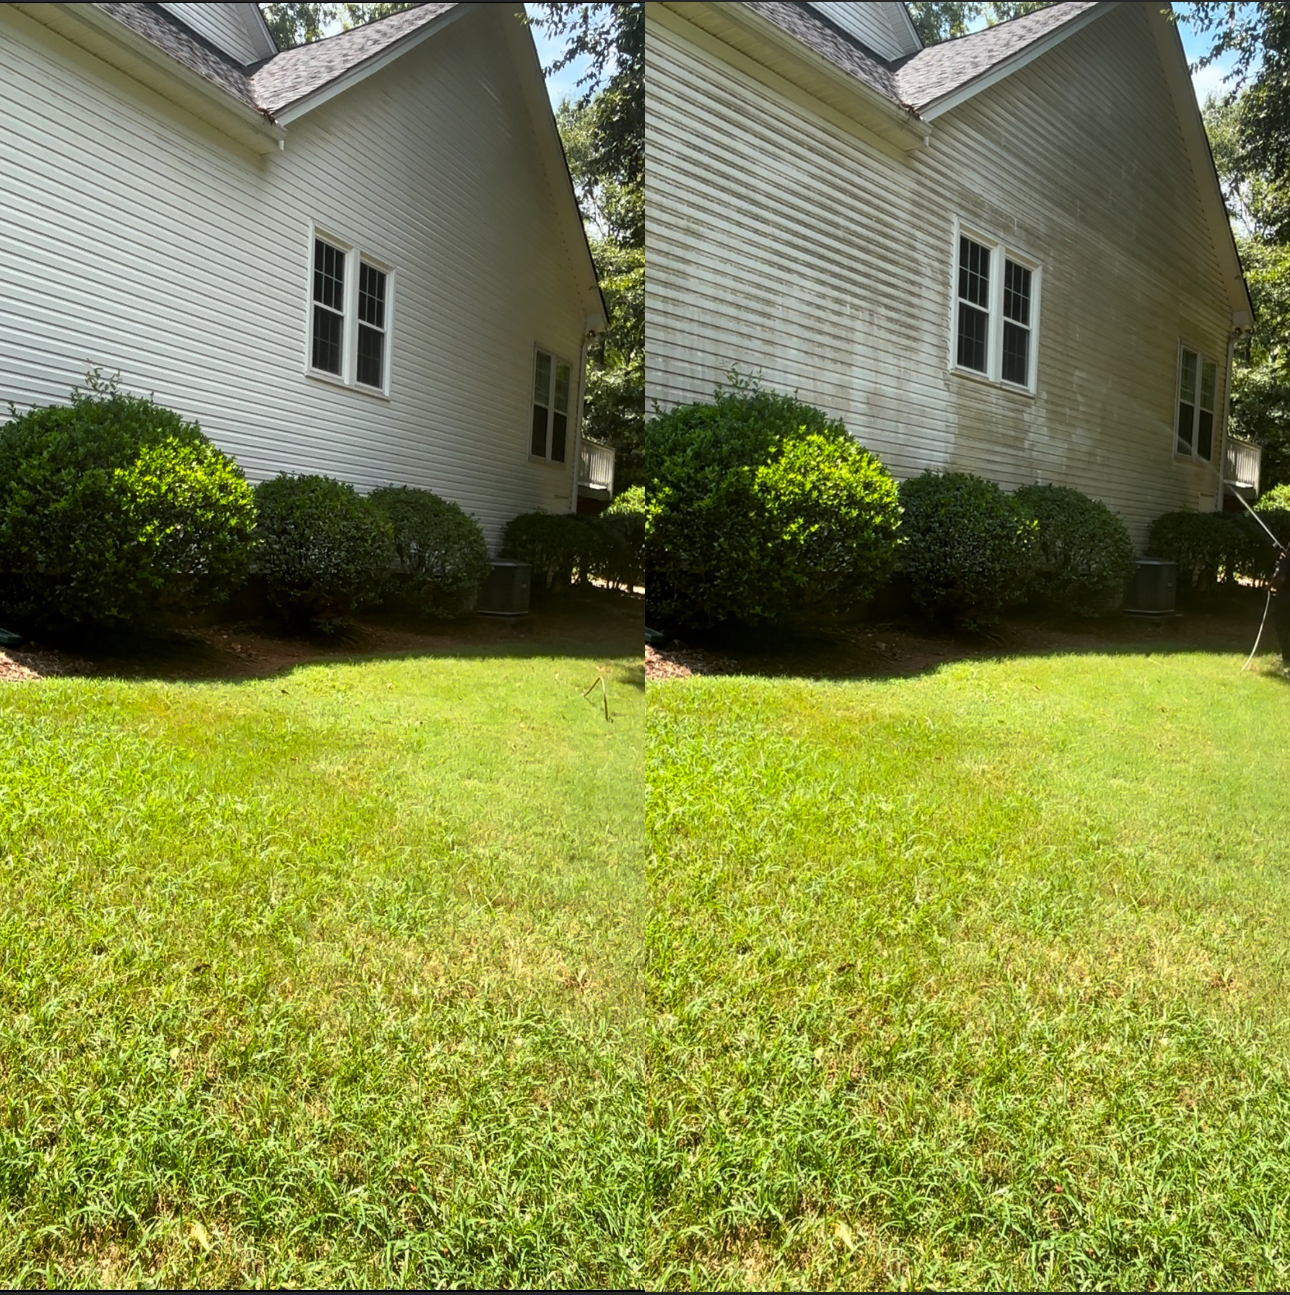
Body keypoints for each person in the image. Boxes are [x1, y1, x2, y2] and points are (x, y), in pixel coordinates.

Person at [1273, 548, 1290, 665]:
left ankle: (1287, 656)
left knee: (1282, 627)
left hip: (1285, 599)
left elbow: (1282, 578)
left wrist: (1273, 585)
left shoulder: (1286, 560)